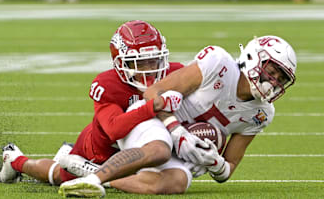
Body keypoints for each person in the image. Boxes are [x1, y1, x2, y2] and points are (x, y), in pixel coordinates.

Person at [58, 35, 297, 197]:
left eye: (281, 79)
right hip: (153, 120)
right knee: (160, 149)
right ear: (253, 58)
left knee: (178, 182)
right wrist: (177, 130)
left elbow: (229, 167)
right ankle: (95, 180)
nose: (274, 82)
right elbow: (154, 92)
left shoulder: (262, 112)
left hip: (182, 148)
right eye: (271, 71)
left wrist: (213, 161)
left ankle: (96, 176)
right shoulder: (219, 62)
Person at [0, 20, 201, 192]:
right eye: (140, 63)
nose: (148, 70)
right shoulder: (108, 84)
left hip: (144, 146)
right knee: (59, 175)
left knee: (158, 177)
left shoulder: (174, 73)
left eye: (153, 61)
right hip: (102, 148)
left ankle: (92, 172)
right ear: (121, 63)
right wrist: (153, 106)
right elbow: (113, 129)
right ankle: (15, 159)